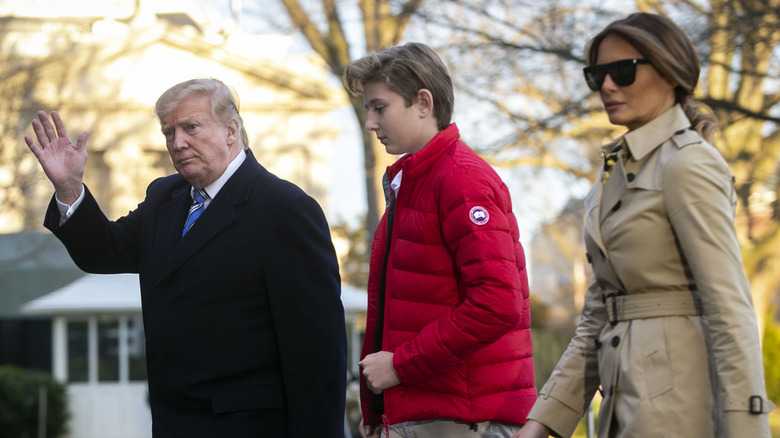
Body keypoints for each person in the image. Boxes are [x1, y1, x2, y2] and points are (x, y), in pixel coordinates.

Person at [24, 78, 348, 437]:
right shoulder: (165, 196)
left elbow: (317, 355)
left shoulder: (285, 209)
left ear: (231, 130)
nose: (177, 143)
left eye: (191, 127)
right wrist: (69, 188)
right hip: (172, 423)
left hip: (249, 426)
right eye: (168, 132)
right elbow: (104, 251)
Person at [516, 13, 773, 438]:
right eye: (597, 74)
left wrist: (747, 428)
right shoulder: (612, 172)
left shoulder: (688, 163)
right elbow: (598, 313)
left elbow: (731, 309)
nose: (607, 86)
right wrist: (542, 423)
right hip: (625, 403)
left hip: (680, 407)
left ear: (670, 72)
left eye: (622, 71)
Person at [342, 42, 537, 438]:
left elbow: (497, 303)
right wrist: (379, 411)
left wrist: (400, 366)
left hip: (461, 421)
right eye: (368, 110)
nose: (370, 123)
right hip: (432, 416)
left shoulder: (461, 181)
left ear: (423, 103)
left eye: (379, 107)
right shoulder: (416, 182)